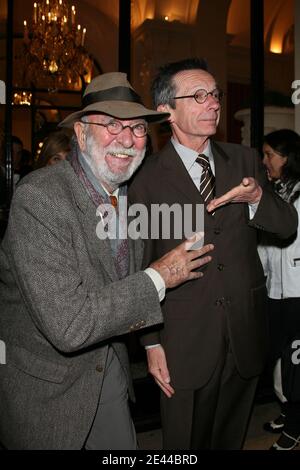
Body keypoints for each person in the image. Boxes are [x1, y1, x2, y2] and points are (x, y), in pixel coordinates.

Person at [0, 72, 214, 450]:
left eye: (137, 129)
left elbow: (122, 281)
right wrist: (160, 276)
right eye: (112, 125)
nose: (127, 139)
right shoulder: (39, 199)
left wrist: (152, 345)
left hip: (109, 371)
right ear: (81, 134)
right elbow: (69, 326)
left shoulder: (128, 198)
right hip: (50, 390)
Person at [129, 58, 298, 450]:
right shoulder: (145, 179)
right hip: (184, 341)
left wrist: (258, 198)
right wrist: (151, 344)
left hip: (244, 331)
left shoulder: (242, 159)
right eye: (199, 96)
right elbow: (138, 267)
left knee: (231, 437)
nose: (213, 104)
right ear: (166, 110)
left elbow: (287, 226)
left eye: (215, 95)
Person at [258, 129, 300, 450]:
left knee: (295, 363)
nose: (264, 161)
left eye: (270, 154)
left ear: (287, 158)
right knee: (277, 359)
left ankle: (296, 426)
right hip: (275, 291)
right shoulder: (274, 192)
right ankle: (288, 411)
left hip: (298, 293)